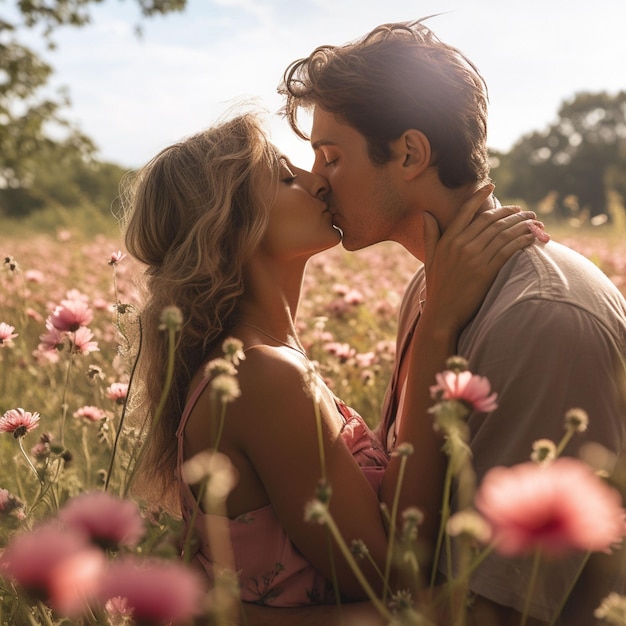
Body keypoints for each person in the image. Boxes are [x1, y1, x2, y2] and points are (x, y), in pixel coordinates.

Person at [121, 109, 540, 624]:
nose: (316, 179)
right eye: (283, 176)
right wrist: (438, 326)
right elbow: (393, 572)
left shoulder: (261, 362)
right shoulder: (263, 376)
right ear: (232, 225)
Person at [279, 17, 626, 626]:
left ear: (410, 153)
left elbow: (494, 608)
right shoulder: (433, 288)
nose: (316, 181)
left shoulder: (541, 319)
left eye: (331, 156)